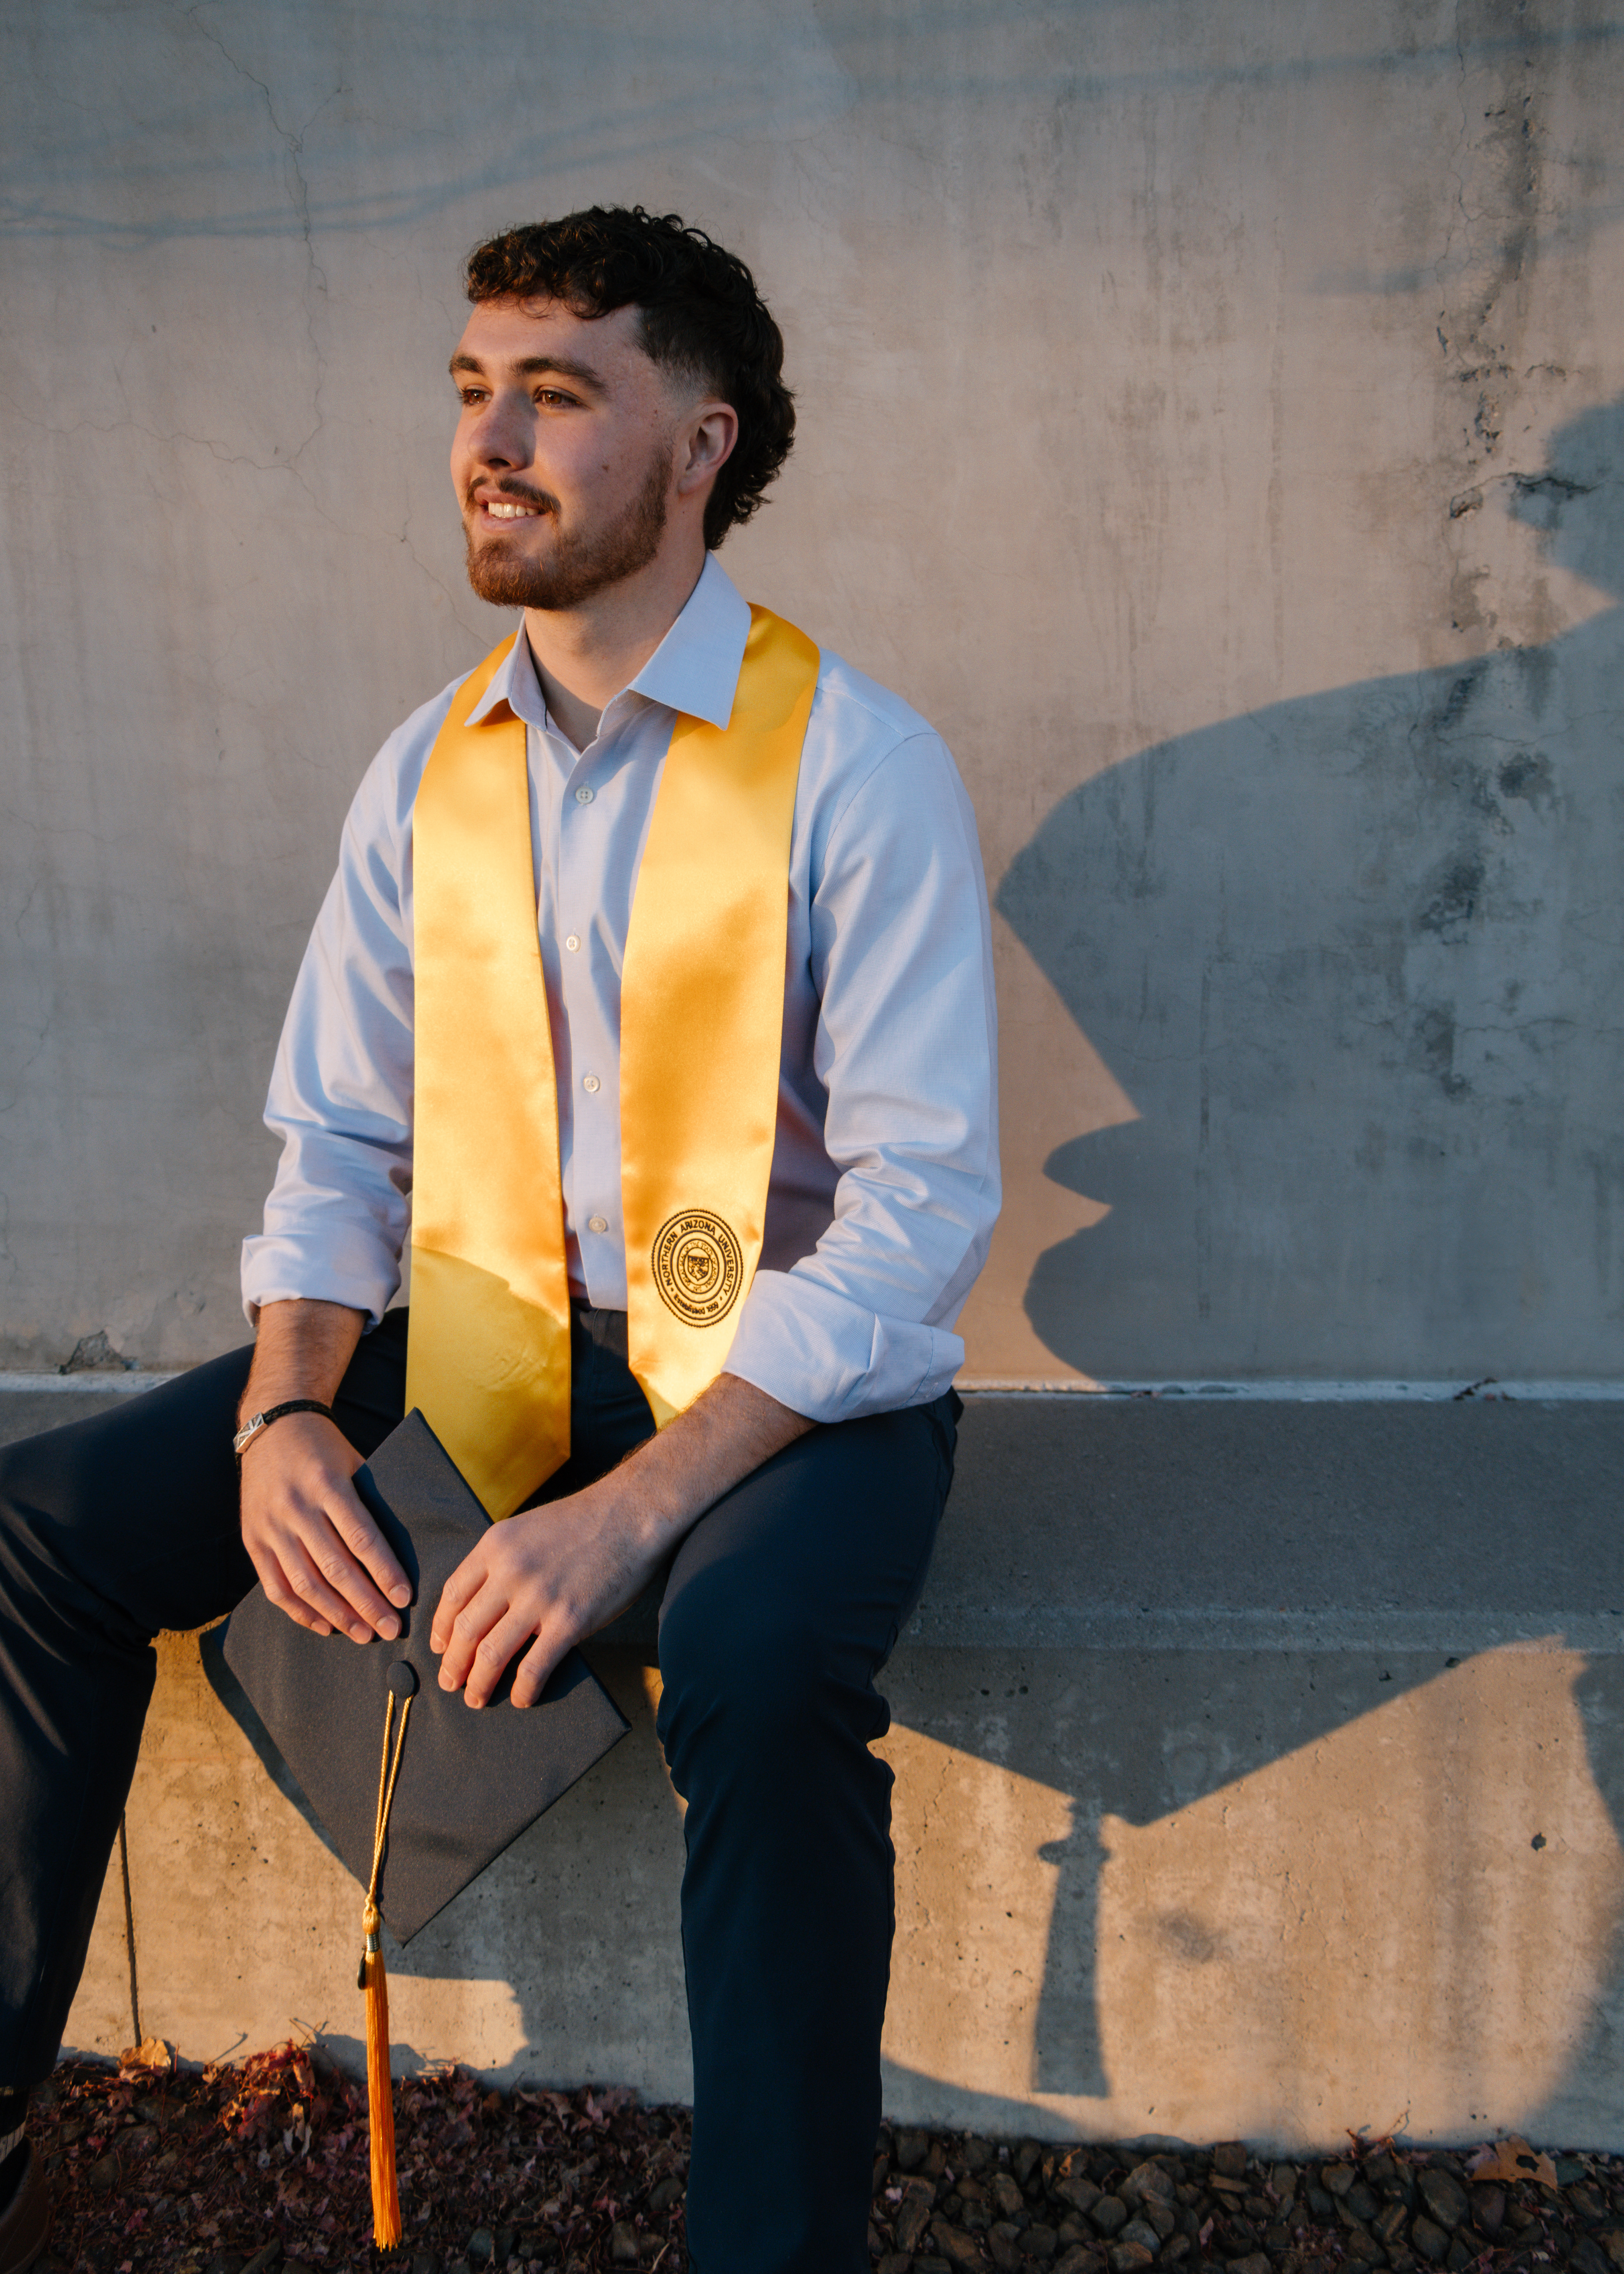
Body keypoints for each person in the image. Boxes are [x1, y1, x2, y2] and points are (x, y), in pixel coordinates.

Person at [0, 205, 999, 2274]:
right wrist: (284, 1415)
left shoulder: (858, 770)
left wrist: (632, 1507)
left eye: (560, 392)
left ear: (702, 444)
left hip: (785, 1377)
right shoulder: (425, 774)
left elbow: (916, 1215)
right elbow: (341, 1141)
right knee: (45, 1529)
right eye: (472, 390)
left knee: (753, 1658)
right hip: (479, 1327)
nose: (493, 439)